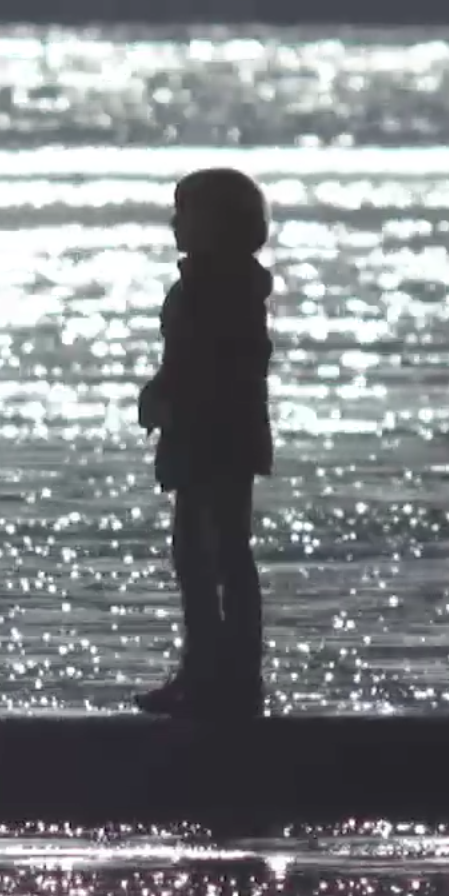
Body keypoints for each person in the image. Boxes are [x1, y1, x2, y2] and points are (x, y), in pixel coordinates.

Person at [134, 168, 276, 720]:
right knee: (198, 555)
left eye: (186, 213)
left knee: (218, 554)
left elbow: (216, 368)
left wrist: (171, 398)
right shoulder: (209, 285)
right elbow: (184, 361)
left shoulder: (224, 290)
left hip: (217, 438)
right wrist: (161, 393)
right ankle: (208, 671)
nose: (175, 223)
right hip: (204, 436)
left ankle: (229, 676)